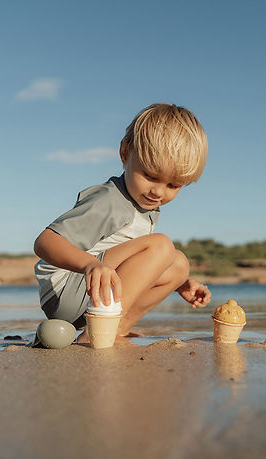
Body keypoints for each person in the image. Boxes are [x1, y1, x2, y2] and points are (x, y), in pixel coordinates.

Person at [34, 103, 211, 344]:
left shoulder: (144, 205)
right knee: (161, 245)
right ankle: (95, 334)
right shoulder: (110, 201)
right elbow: (45, 242)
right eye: (150, 176)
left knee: (178, 264)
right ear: (125, 153)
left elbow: (136, 264)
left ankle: (116, 329)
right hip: (66, 290)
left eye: (173, 185)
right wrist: (89, 265)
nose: (158, 192)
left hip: (91, 293)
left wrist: (178, 284)